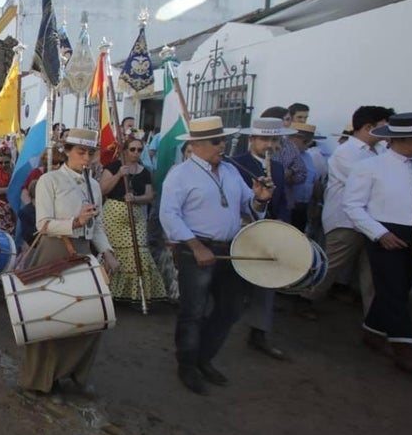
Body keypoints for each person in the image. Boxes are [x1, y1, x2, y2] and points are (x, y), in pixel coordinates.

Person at [159, 116, 274, 395]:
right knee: (193, 311)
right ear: (196, 144)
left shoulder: (231, 172)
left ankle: (203, 358)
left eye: (225, 140)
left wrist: (260, 197)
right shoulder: (180, 174)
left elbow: (250, 206)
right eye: (216, 141)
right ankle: (187, 364)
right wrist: (196, 246)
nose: (223, 145)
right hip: (195, 250)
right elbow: (169, 215)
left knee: (231, 308)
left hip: (230, 250)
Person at [21, 128, 120, 393]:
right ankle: (46, 381)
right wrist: (75, 221)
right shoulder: (49, 181)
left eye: (90, 153)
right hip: (54, 252)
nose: (86, 158)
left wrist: (107, 252)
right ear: (66, 152)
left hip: (83, 254)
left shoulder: (95, 186)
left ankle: (73, 374)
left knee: (89, 317)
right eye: (80, 152)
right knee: (52, 320)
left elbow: (96, 226)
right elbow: (43, 224)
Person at [343, 112, 412, 374]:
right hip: (384, 233)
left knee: (399, 287)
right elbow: (353, 206)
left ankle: (372, 332)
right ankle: (404, 347)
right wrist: (379, 233)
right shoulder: (370, 167)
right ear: (399, 140)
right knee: (392, 287)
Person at [300, 106, 394, 318]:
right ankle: (305, 298)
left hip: (371, 221)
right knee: (331, 265)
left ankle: (375, 318)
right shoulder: (347, 153)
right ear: (368, 127)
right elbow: (369, 185)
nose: (388, 131)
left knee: (371, 271)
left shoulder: (377, 152)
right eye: (384, 126)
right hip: (345, 220)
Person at [232, 117, 295, 360]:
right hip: (241, 232)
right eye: (264, 139)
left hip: (268, 234)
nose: (269, 144)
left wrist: (284, 226)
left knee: (267, 283)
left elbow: (282, 204)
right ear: (252, 140)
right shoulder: (236, 164)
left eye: (273, 139)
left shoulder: (278, 168)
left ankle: (259, 333)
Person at [98, 135, 167, 305]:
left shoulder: (144, 171)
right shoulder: (113, 167)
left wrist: (136, 199)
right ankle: (109, 291)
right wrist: (119, 176)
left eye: (140, 150)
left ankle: (136, 294)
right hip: (114, 213)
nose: (136, 153)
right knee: (117, 252)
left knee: (141, 252)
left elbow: (150, 195)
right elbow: (102, 189)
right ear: (124, 150)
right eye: (133, 149)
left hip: (136, 215)